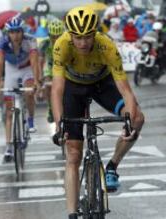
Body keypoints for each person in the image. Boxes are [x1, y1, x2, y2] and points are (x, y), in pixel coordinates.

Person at [51, 7, 144, 219]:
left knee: (138, 118)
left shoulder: (107, 46)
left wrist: (128, 122)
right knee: (73, 154)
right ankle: (72, 213)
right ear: (71, 35)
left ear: (95, 33)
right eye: (78, 37)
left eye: (88, 37)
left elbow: (125, 90)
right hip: (73, 89)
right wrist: (59, 125)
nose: (83, 43)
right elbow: (56, 89)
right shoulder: (62, 45)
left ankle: (112, 166)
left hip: (102, 85)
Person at [0, 16, 41, 162]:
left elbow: (34, 63)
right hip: (11, 69)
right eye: (12, 32)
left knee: (28, 91)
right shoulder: (2, 42)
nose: (15, 35)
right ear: (8, 33)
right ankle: (9, 147)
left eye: (18, 32)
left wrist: (37, 82)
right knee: (9, 111)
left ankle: (31, 120)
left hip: (26, 68)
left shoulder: (30, 40)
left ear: (22, 32)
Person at [39, 19, 65, 123]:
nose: (56, 39)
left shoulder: (68, 42)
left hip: (64, 66)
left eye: (59, 36)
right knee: (47, 84)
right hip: (50, 66)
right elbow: (40, 62)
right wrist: (40, 77)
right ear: (49, 35)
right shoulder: (44, 43)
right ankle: (50, 107)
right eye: (53, 37)